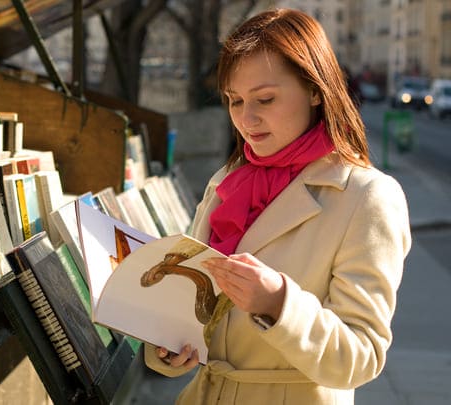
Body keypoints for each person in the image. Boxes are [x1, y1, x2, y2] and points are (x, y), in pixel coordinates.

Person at [144, 8, 411, 404]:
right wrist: (169, 347)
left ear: (316, 90)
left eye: (265, 99)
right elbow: (194, 312)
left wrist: (279, 303)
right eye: (235, 101)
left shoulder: (367, 195)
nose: (247, 119)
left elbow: (362, 357)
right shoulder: (228, 181)